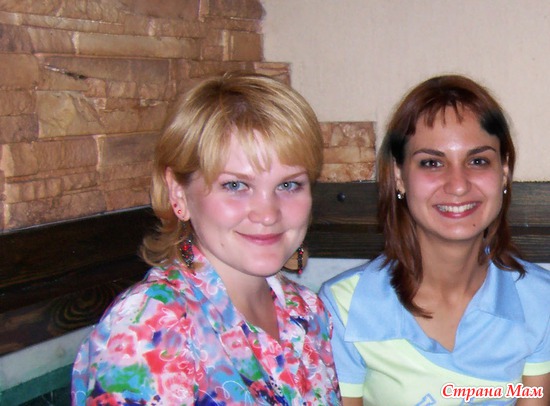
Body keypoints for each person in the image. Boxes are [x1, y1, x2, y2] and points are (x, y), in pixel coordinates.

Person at [71, 71, 341, 405]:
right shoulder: (152, 327)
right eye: (236, 185)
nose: (268, 213)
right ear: (178, 193)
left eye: (288, 185)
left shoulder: (308, 311)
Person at [319, 75, 550, 405]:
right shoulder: (343, 307)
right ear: (399, 176)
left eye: (478, 161)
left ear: (503, 172)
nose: (458, 184)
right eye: (431, 162)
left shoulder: (540, 300)